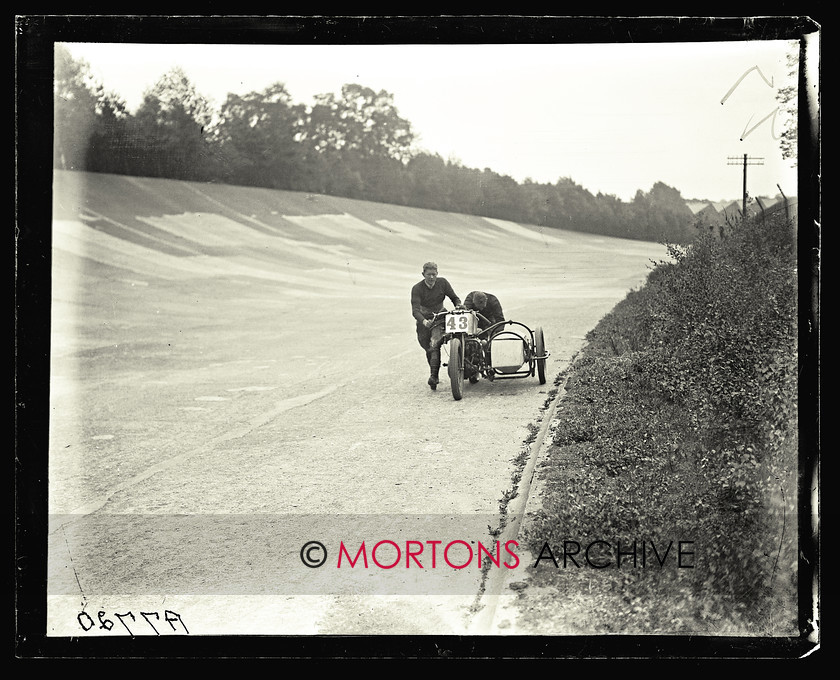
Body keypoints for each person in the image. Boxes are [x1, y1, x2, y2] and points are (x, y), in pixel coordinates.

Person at [410, 262, 461, 389]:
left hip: (440, 317)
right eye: (428, 275)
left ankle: (433, 377)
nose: (432, 278)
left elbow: (454, 298)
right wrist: (424, 321)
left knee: (434, 344)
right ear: (423, 275)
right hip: (424, 319)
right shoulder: (417, 288)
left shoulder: (443, 283)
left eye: (434, 274)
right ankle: (434, 374)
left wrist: (458, 305)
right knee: (427, 347)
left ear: (437, 274)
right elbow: (415, 310)